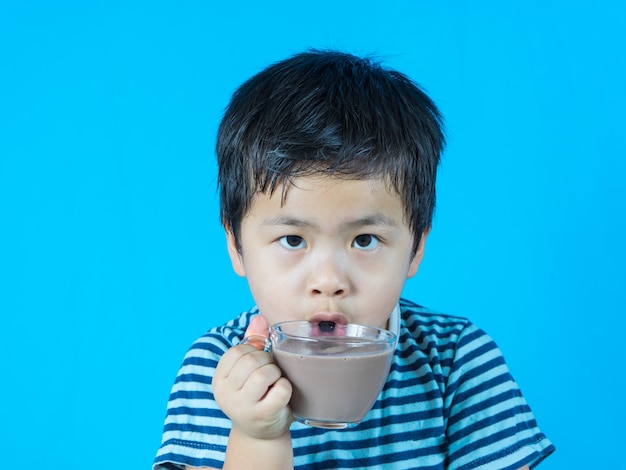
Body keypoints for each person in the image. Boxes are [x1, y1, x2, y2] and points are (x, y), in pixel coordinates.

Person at [153, 49, 555, 470]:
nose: (328, 280)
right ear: (236, 245)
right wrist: (257, 434)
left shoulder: (455, 360)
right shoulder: (216, 370)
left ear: (416, 248)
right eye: (292, 239)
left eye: (365, 240)